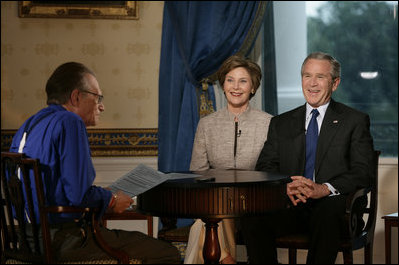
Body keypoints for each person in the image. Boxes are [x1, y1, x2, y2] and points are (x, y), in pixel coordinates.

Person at [9, 62, 180, 264]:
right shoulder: (70, 122)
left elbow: (56, 191)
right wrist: (112, 199)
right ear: (76, 96)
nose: (102, 106)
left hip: (26, 240)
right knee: (167, 253)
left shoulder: (30, 124)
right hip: (61, 241)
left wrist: (103, 195)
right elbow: (77, 196)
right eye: (97, 97)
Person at [241, 52, 375, 264]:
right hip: (291, 205)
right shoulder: (281, 122)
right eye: (306, 76)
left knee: (326, 212)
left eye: (320, 77)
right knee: (255, 218)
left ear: (335, 83)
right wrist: (286, 187)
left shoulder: (354, 121)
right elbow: (266, 166)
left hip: (335, 210)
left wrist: (323, 189)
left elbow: (363, 171)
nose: (312, 84)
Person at [185, 55, 273, 264]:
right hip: (217, 201)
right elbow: (197, 172)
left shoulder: (269, 123)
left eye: (243, 81)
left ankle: (225, 259)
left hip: (255, 203)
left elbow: (273, 170)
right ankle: (226, 259)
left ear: (253, 87)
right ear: (223, 85)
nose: (236, 87)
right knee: (209, 218)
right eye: (230, 80)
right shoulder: (206, 124)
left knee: (206, 224)